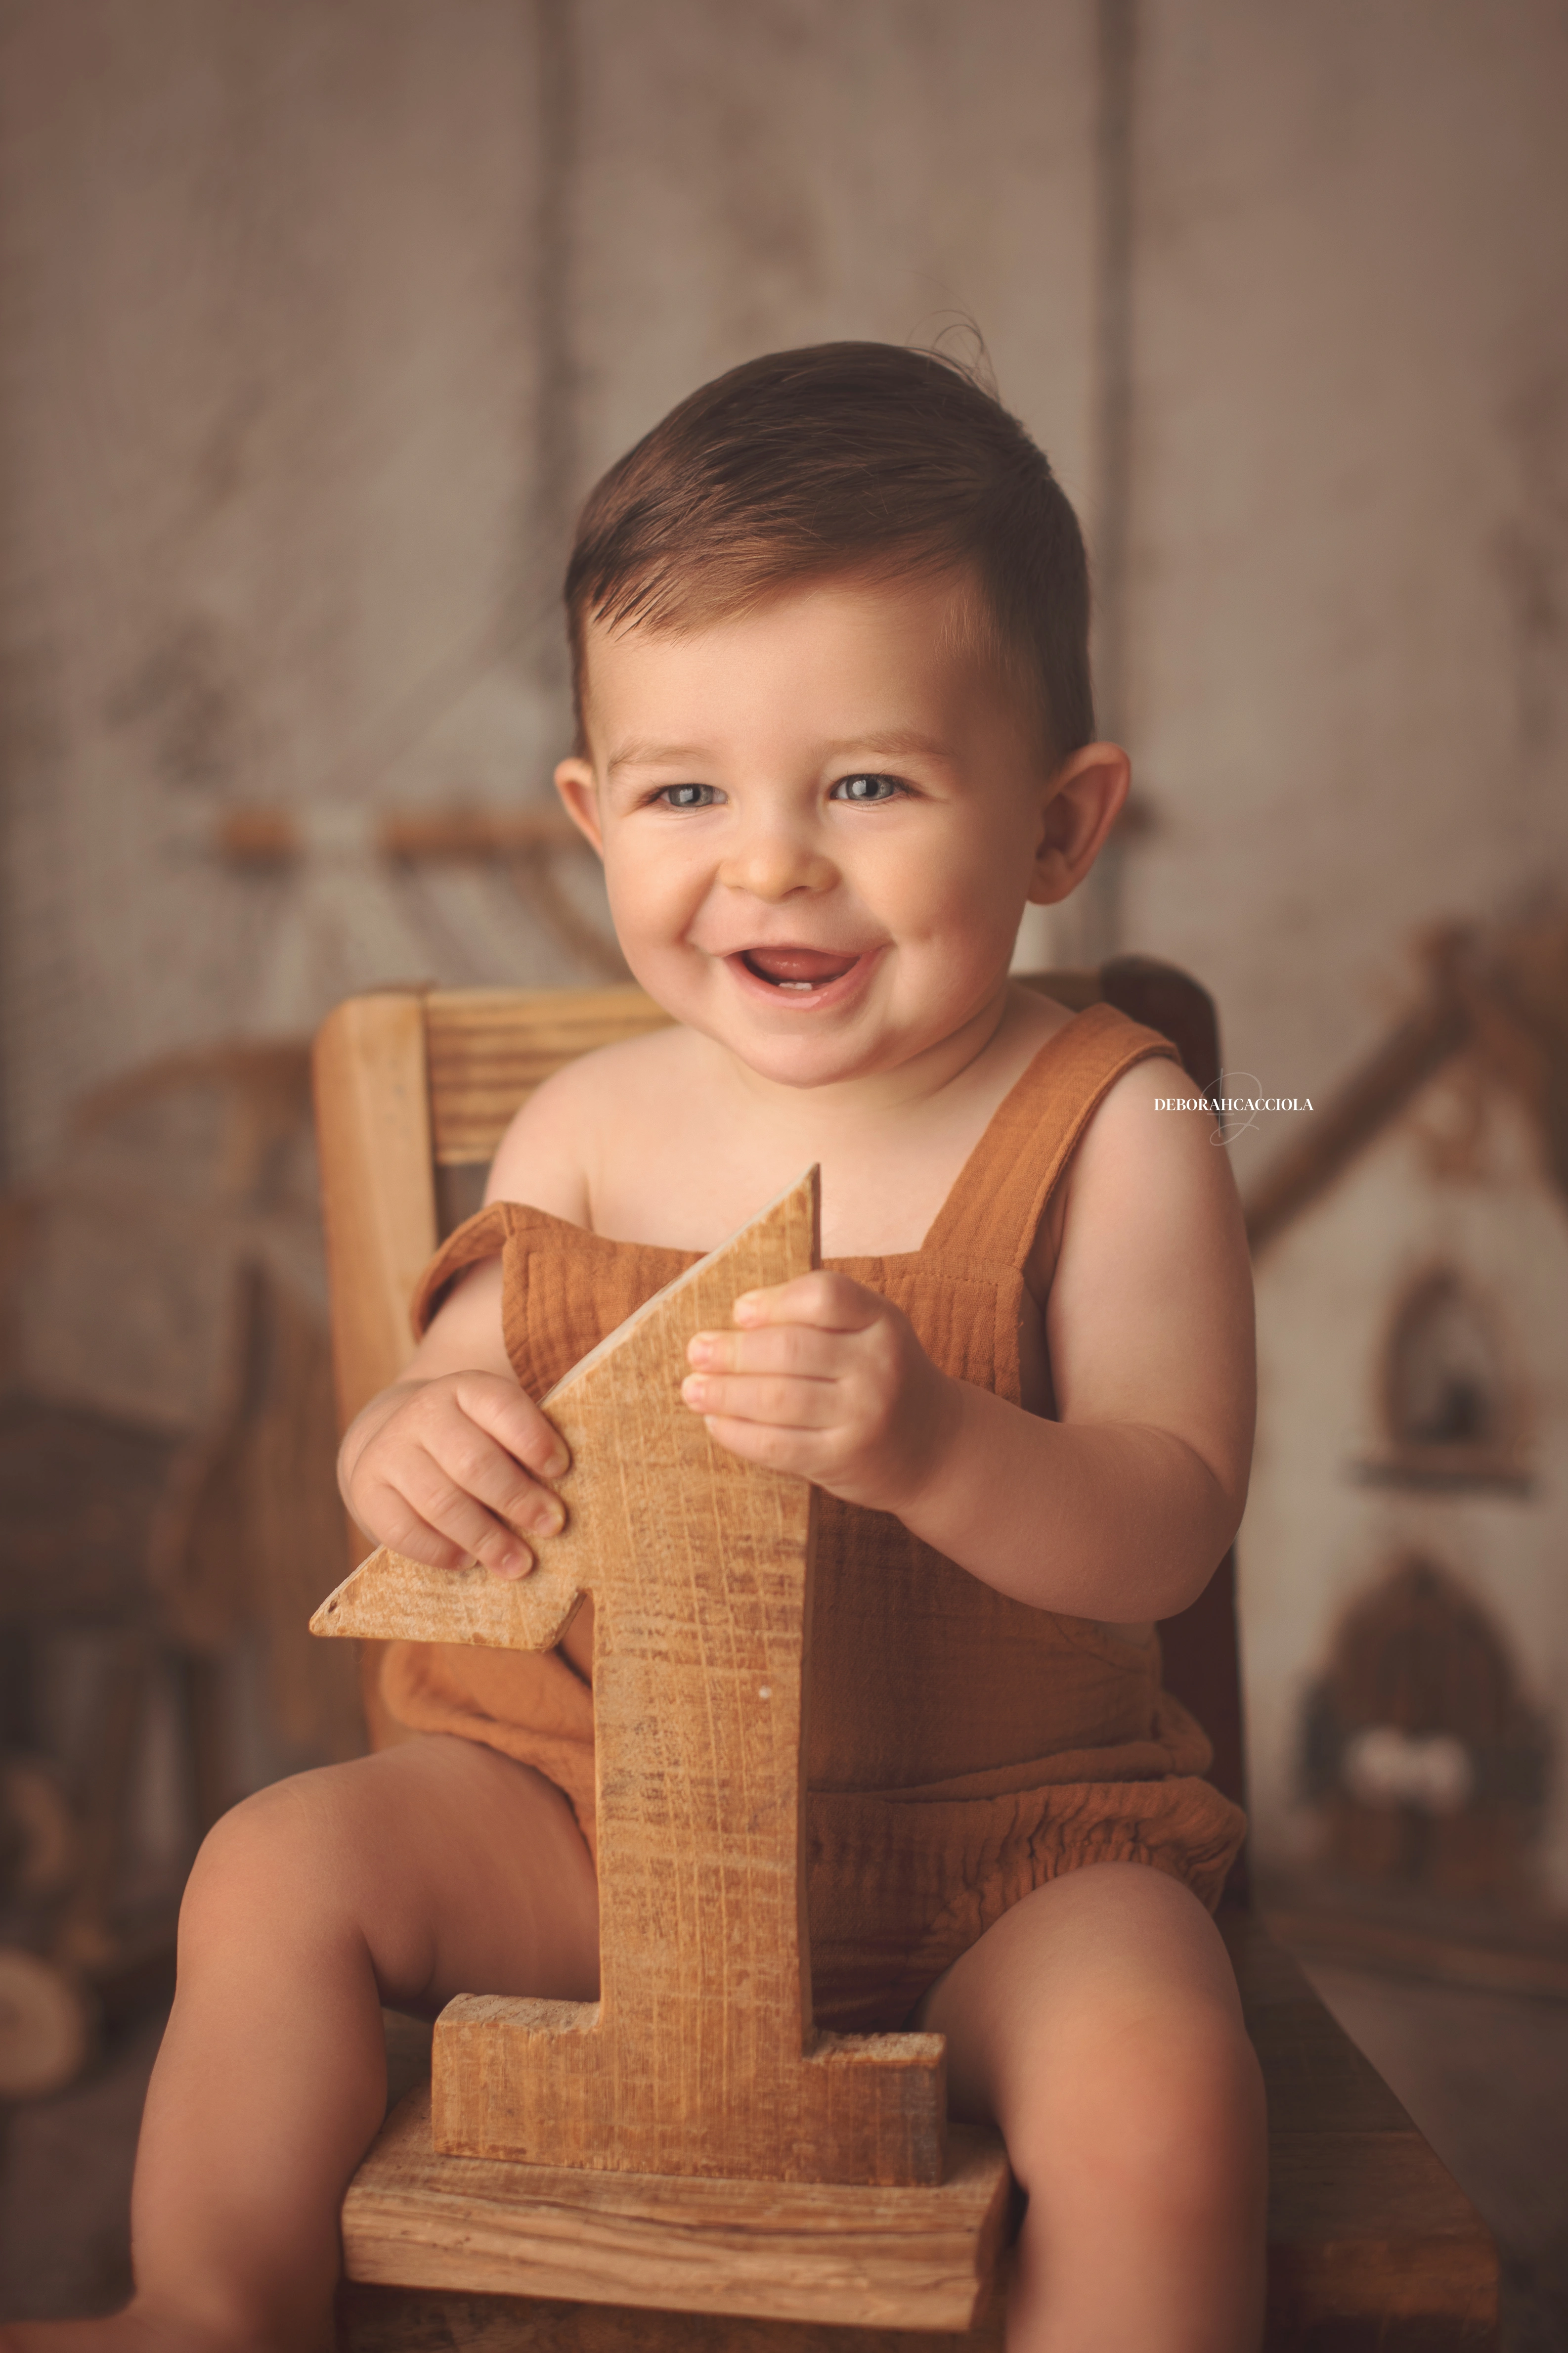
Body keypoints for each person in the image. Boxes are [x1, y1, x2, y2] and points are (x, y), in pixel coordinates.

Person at [9, 343, 1264, 2353]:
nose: (768, 862)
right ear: (595, 816)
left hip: (1006, 1849)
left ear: (1058, 821)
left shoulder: (1121, 1122)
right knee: (264, 1870)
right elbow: (451, 1395)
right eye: (687, 790)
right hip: (598, 1820)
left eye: (867, 781)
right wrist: (406, 1447)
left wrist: (937, 1443)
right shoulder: (592, 1127)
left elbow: (1167, 1522)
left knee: (1162, 2081)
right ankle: (210, 2304)